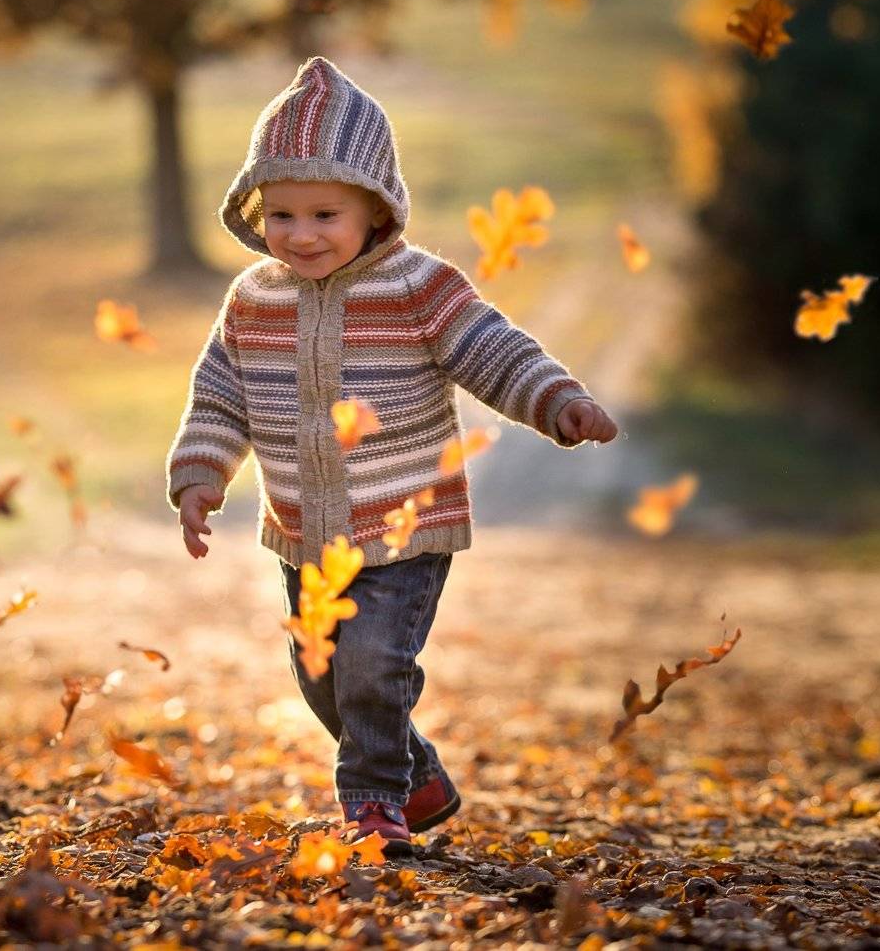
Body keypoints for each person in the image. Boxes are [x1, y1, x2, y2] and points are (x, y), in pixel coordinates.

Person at [165, 56, 618, 854]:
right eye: (281, 216)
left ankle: (374, 805)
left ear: (376, 210)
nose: (300, 235)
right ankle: (418, 775)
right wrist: (201, 474)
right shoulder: (252, 300)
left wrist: (559, 401)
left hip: (402, 524)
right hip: (303, 533)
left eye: (324, 215)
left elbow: (493, 352)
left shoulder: (419, 286)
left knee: (371, 663)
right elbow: (221, 395)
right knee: (320, 678)